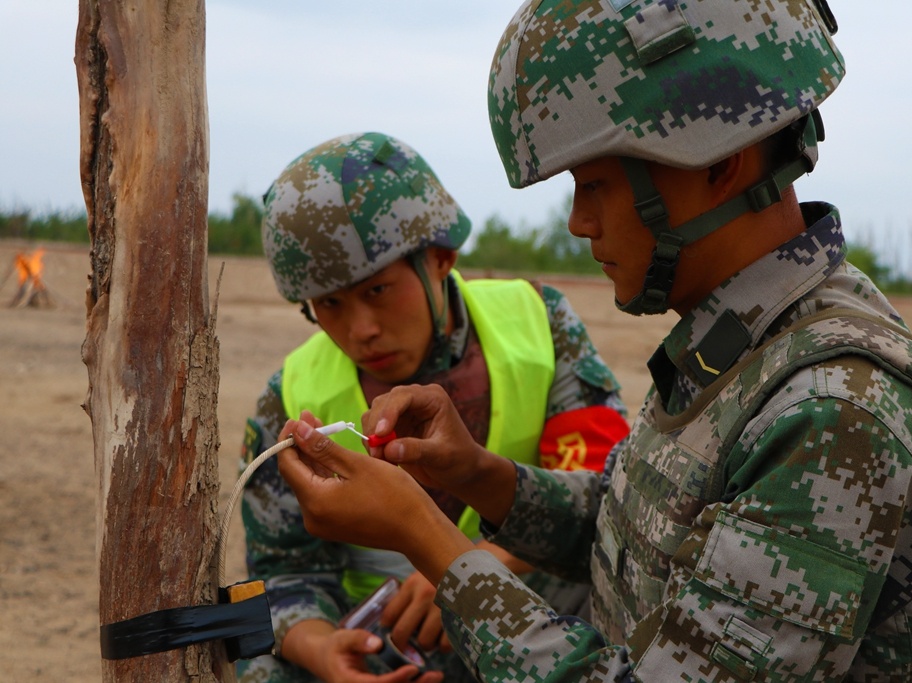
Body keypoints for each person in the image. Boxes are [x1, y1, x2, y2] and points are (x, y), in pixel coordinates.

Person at [273, 2, 912, 682]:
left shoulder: (833, 415)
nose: (579, 222)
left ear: (715, 163)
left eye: (593, 185)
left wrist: (422, 531)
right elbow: (643, 525)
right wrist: (481, 475)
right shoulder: (747, 346)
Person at [238, 131, 630, 683]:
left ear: (441, 259)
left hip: (531, 630)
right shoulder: (290, 392)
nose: (361, 330)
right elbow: (284, 574)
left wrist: (472, 563)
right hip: (383, 647)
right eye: (329, 303)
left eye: (377, 291)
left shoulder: (537, 323)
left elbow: (606, 500)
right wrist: (328, 652)